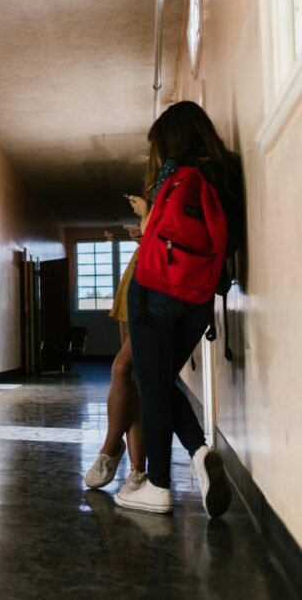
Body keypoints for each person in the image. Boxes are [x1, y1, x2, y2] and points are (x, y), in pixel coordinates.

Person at [114, 101, 243, 517]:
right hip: (199, 297)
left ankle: (158, 485)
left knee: (150, 386)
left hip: (154, 291)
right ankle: (200, 451)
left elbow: (159, 232)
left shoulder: (175, 171)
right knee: (160, 379)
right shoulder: (226, 170)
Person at [84, 226, 146, 493]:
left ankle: (112, 447)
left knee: (125, 370)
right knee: (130, 380)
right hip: (136, 274)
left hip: (154, 283)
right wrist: (140, 233)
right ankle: (137, 470)